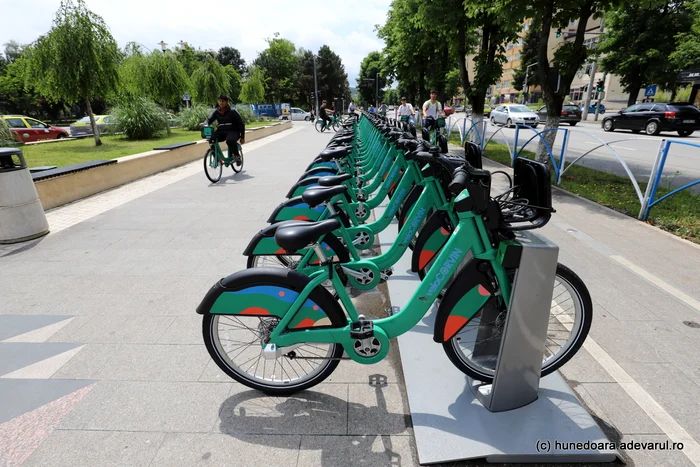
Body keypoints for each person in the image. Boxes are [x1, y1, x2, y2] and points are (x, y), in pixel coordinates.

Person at [201, 95, 245, 159]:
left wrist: (242, 137)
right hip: (221, 132)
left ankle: (237, 155)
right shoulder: (216, 111)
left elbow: (241, 124)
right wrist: (205, 123)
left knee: (229, 141)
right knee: (211, 139)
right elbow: (209, 119)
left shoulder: (233, 111)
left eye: (223, 101)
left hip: (233, 131)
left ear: (227, 102)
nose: (221, 103)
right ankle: (217, 157)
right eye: (220, 101)